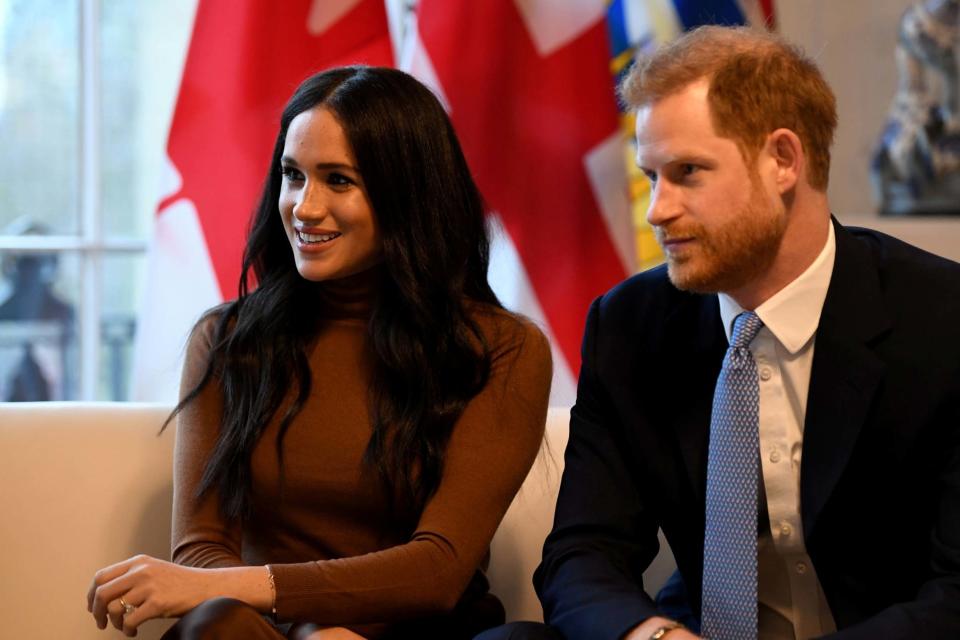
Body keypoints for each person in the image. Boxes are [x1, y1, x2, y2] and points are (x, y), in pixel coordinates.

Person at [480, 25, 960, 640]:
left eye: (687, 172)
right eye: (651, 176)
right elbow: (583, 552)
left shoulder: (943, 319)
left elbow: (956, 594)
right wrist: (651, 637)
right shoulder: (629, 325)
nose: (657, 209)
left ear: (783, 160)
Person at [86, 65, 552, 639]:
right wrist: (309, 629)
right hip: (269, 634)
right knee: (215, 624)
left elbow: (439, 568)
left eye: (338, 180)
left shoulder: (504, 349)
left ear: (409, 193)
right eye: (292, 175)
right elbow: (202, 551)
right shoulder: (228, 341)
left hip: (427, 633)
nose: (303, 208)